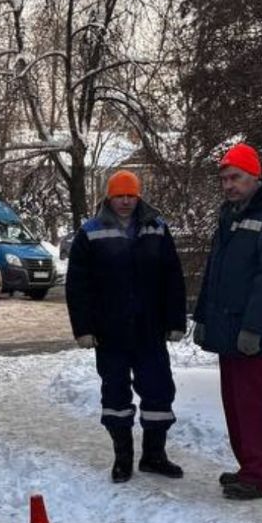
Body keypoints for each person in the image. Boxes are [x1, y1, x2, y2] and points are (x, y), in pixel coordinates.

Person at [66, 169, 188, 483]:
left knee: (159, 391)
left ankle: (154, 455)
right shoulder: (91, 232)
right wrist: (83, 329)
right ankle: (123, 458)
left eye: (130, 195)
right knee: (116, 394)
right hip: (110, 331)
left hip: (150, 329)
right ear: (109, 197)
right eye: (119, 195)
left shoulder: (156, 228)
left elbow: (172, 277)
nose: (124, 201)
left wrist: (175, 320)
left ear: (138, 196)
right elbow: (78, 285)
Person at [191, 143, 262, 501]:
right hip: (226, 329)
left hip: (253, 334)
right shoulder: (229, 214)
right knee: (235, 404)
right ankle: (249, 466)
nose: (229, 185)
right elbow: (215, 271)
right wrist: (203, 315)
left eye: (235, 177)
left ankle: (260, 474)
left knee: (254, 405)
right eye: (224, 179)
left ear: (255, 176)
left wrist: (254, 327)